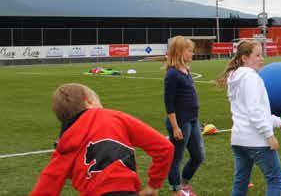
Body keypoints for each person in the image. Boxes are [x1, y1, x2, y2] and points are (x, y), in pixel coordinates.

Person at [29, 82, 173, 196]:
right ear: (89, 102)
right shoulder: (113, 116)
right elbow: (165, 147)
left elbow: (47, 185)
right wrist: (153, 185)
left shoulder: (64, 143)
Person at [217, 38, 281, 196]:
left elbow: (255, 110)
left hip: (239, 140)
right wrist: (269, 135)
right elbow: (254, 111)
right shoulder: (251, 78)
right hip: (256, 140)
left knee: (241, 181)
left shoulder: (236, 77)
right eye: (257, 55)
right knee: (276, 180)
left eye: (262, 54)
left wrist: (279, 123)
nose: (262, 59)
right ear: (245, 58)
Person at [163, 36, 204, 196]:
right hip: (180, 122)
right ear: (180, 52)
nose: (192, 53)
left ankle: (184, 183)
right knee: (176, 158)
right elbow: (169, 103)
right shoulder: (172, 74)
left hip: (192, 120)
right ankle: (176, 190)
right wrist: (175, 127)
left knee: (198, 156)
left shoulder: (186, 70)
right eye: (189, 50)